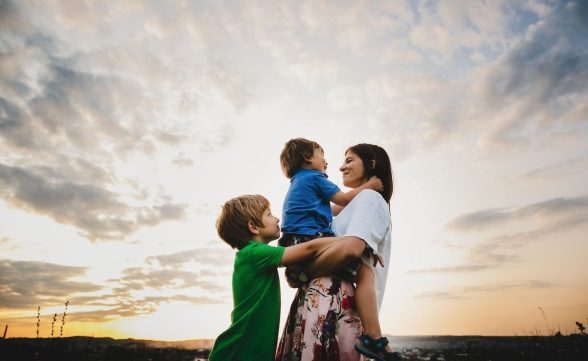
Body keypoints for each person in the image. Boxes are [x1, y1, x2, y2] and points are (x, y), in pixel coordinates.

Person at [209, 194, 372, 361]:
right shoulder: (253, 253)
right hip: (238, 351)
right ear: (253, 227)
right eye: (269, 214)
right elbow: (309, 248)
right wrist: (353, 242)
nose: (277, 218)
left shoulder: (253, 255)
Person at [276, 143, 399, 361]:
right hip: (323, 297)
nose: (340, 167)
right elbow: (346, 238)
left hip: (325, 298)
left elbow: (350, 247)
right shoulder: (323, 186)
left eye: (349, 160)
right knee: (365, 272)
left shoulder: (368, 198)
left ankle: (374, 337)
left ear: (371, 164)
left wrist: (303, 274)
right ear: (307, 158)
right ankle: (375, 337)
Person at [279, 138, 383, 287]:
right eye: (321, 155)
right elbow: (345, 199)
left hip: (293, 242)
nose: (326, 161)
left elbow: (333, 209)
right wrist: (370, 185)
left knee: (329, 266)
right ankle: (368, 311)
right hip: (311, 236)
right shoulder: (314, 177)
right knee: (364, 272)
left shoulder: (298, 182)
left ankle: (299, 273)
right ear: (307, 158)